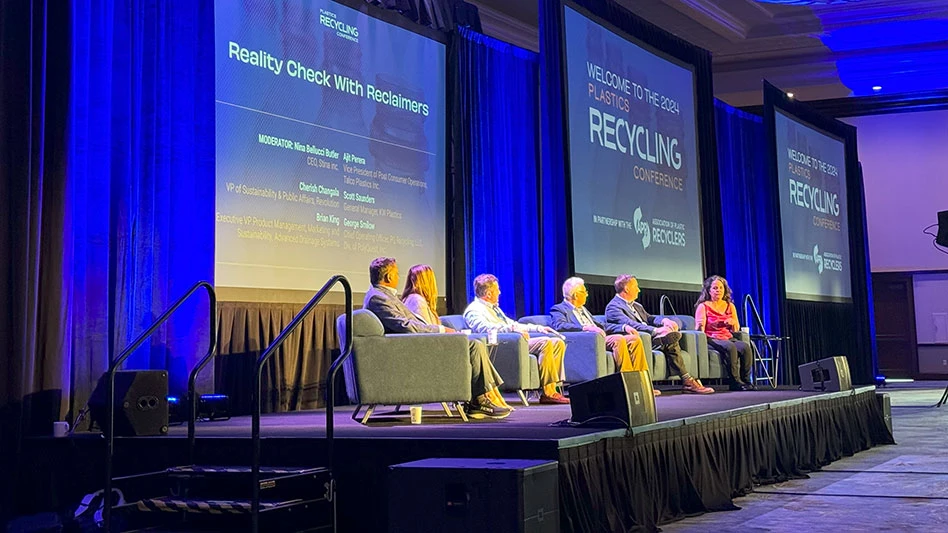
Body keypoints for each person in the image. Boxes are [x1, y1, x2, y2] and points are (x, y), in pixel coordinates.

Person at [363, 257, 511, 419]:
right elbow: (406, 326)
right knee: (474, 345)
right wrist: (442, 330)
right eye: (396, 274)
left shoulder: (383, 296)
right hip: (412, 350)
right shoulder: (378, 298)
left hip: (412, 344)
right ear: (389, 277)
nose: (399, 277)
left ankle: (481, 398)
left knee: (475, 343)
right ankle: (480, 400)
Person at [401, 264, 513, 410]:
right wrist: (450, 333)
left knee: (477, 345)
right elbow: (426, 332)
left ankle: (489, 395)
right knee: (475, 345)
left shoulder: (417, 299)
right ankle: (485, 396)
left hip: (434, 345)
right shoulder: (416, 300)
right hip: (429, 351)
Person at [463, 274, 569, 405]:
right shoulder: (474, 310)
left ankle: (554, 388)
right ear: (489, 293)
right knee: (545, 343)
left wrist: (538, 328)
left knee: (557, 342)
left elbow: (513, 323)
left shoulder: (494, 308)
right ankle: (548, 392)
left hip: (512, 342)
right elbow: (484, 329)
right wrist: (511, 329)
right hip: (499, 345)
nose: (500, 292)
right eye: (497, 290)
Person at [550, 277, 660, 396]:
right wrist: (585, 327)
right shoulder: (559, 309)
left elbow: (602, 326)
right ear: (576, 295)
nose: (587, 295)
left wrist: (623, 327)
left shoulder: (583, 310)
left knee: (634, 339)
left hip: (600, 339)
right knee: (618, 339)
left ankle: (643, 385)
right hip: (586, 341)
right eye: (584, 292)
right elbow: (559, 325)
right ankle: (628, 386)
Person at [605, 275, 714, 394]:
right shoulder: (613, 307)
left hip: (650, 338)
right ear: (626, 289)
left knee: (671, 341)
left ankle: (685, 376)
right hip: (641, 339)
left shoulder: (636, 305)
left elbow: (650, 318)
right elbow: (631, 324)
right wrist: (655, 331)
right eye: (636, 286)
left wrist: (663, 321)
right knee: (670, 342)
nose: (639, 290)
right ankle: (687, 380)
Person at [695, 275, 755, 391]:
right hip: (712, 338)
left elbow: (736, 329)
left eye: (721, 288)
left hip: (727, 337)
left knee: (745, 347)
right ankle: (735, 382)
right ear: (709, 290)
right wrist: (701, 326)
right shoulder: (703, 306)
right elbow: (699, 328)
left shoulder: (730, 306)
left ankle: (747, 381)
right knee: (730, 347)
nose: (718, 291)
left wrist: (732, 322)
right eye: (715, 288)